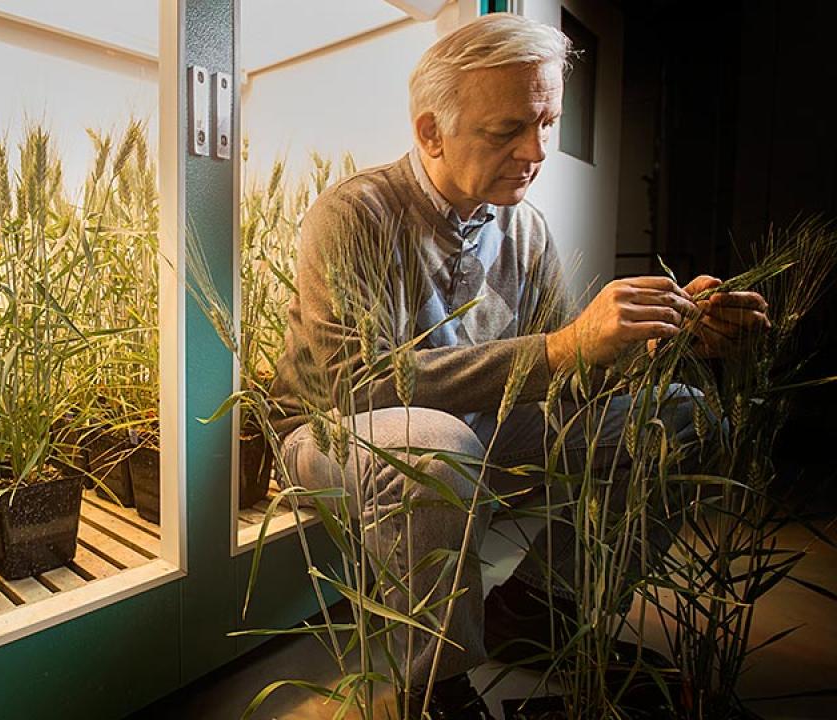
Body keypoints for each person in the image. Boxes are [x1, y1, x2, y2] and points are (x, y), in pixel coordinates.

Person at [268, 12, 770, 718]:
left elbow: (565, 379)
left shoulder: (526, 228)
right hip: (329, 436)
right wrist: (564, 345)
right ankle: (435, 685)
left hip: (480, 434)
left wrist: (665, 339)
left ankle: (540, 610)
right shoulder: (356, 214)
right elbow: (363, 385)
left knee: (687, 414)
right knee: (435, 445)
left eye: (547, 122)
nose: (535, 150)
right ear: (430, 132)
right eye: (507, 130)